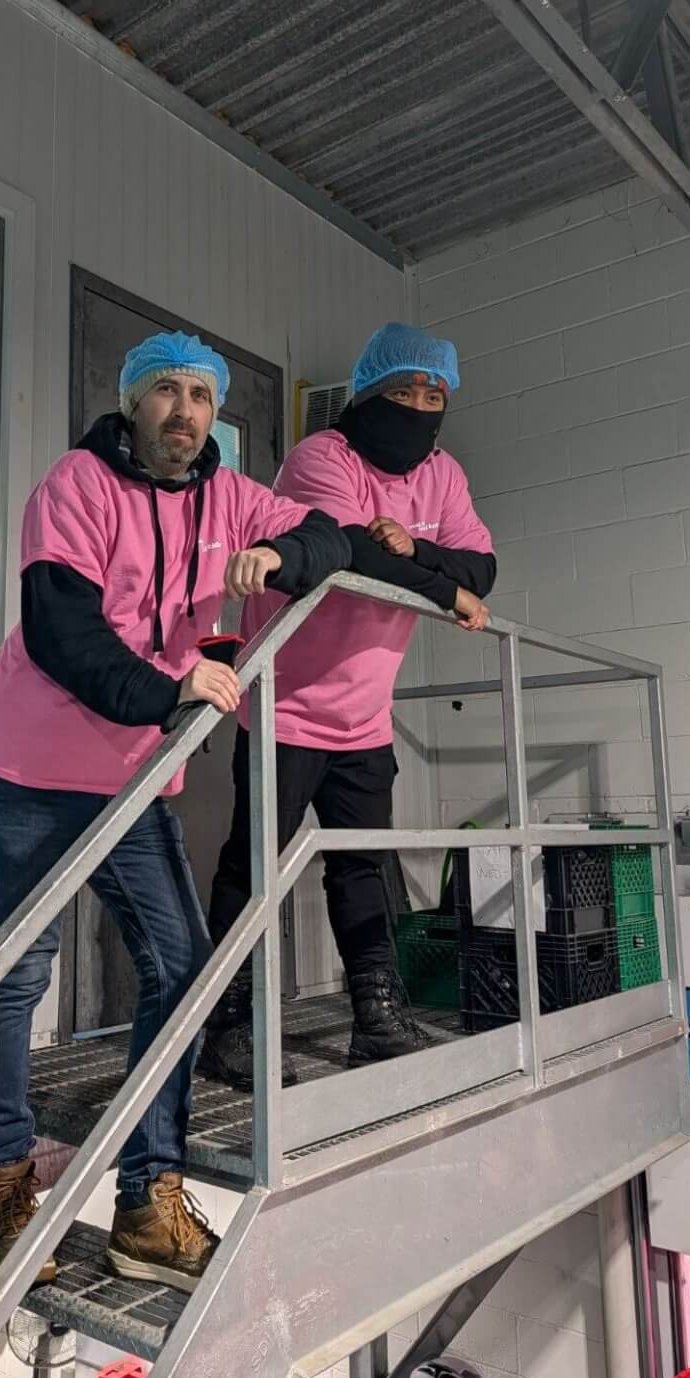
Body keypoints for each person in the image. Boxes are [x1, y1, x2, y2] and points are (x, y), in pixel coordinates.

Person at [0, 329, 348, 1290]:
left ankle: (147, 1200)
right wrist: (167, 693)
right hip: (29, 777)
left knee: (182, 972)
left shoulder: (230, 496)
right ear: (133, 402)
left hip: (137, 785)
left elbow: (329, 537)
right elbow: (59, 630)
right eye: (167, 392)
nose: (187, 412)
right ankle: (5, 1187)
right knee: (17, 980)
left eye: (204, 397)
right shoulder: (77, 487)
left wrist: (283, 552)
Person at [200, 322, 496, 1088]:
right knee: (254, 867)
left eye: (435, 395)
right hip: (285, 706)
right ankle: (226, 1024)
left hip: (365, 714)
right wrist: (443, 587)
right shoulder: (319, 457)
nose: (421, 405)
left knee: (362, 866)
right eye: (404, 391)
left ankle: (377, 1017)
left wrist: (424, 557)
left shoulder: (442, 474)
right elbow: (348, 550)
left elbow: (483, 567)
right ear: (368, 395)